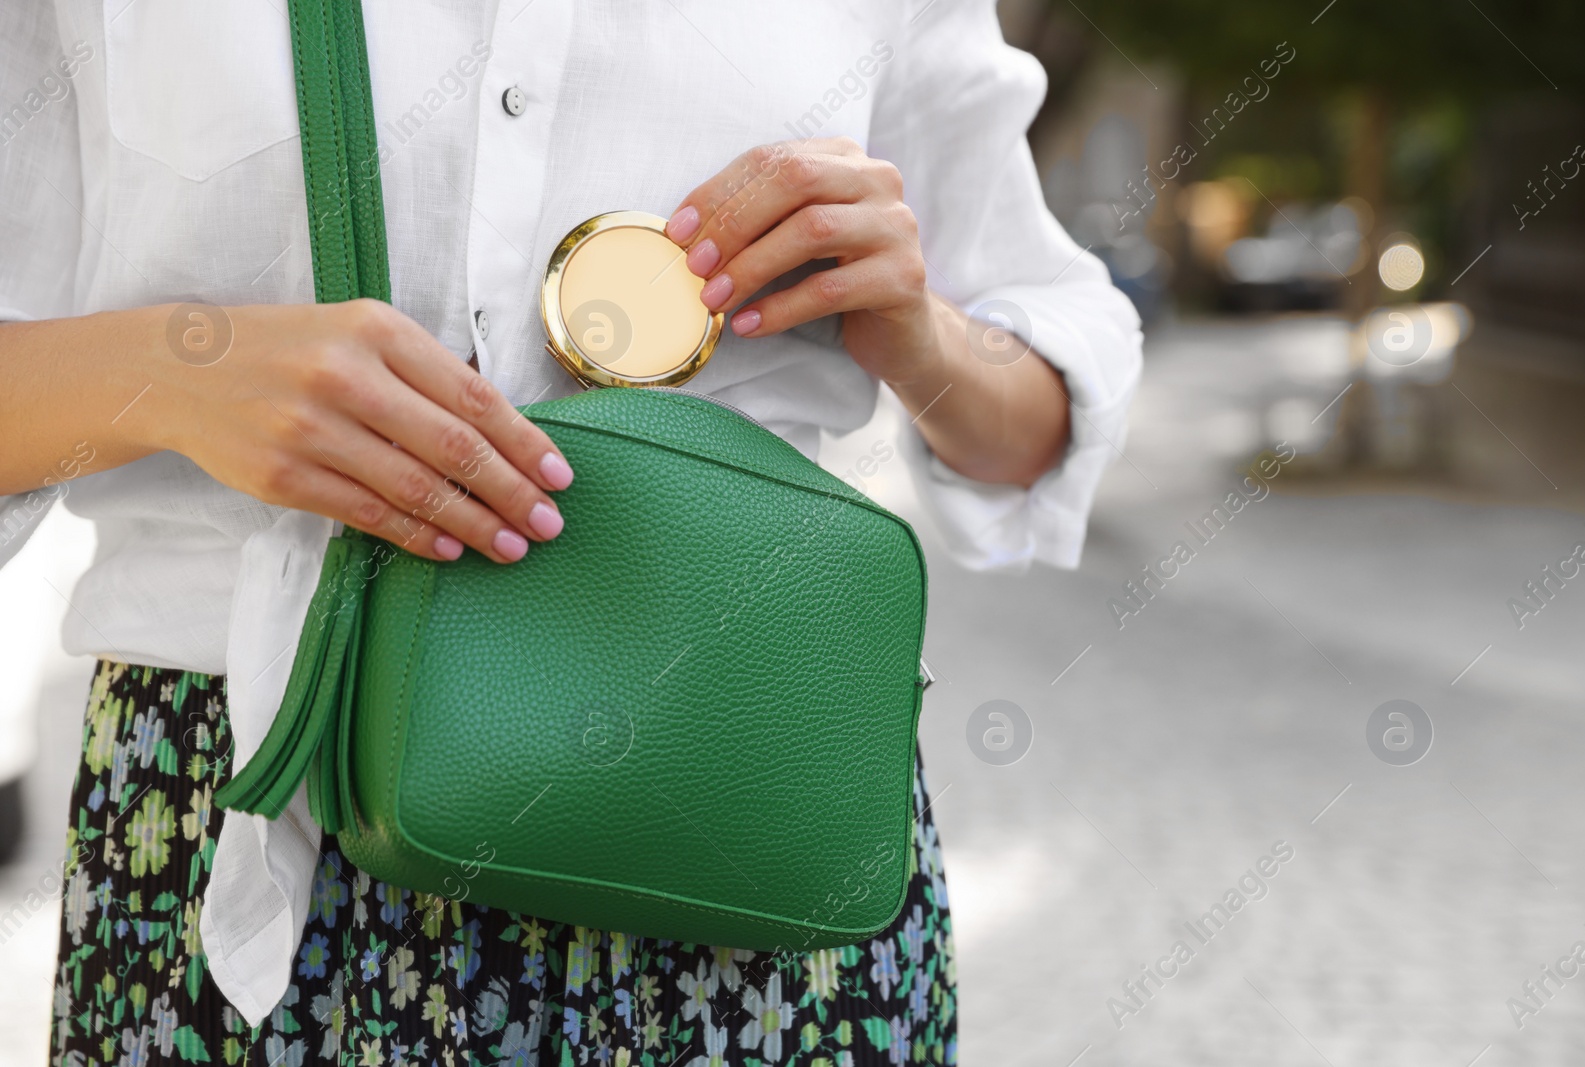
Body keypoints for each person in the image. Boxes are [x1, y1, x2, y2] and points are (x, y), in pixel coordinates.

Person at [0, 1, 1141, 1062]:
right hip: (254, 794)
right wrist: (171, 370)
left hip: (742, 819)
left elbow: (1035, 416)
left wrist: (920, 334)